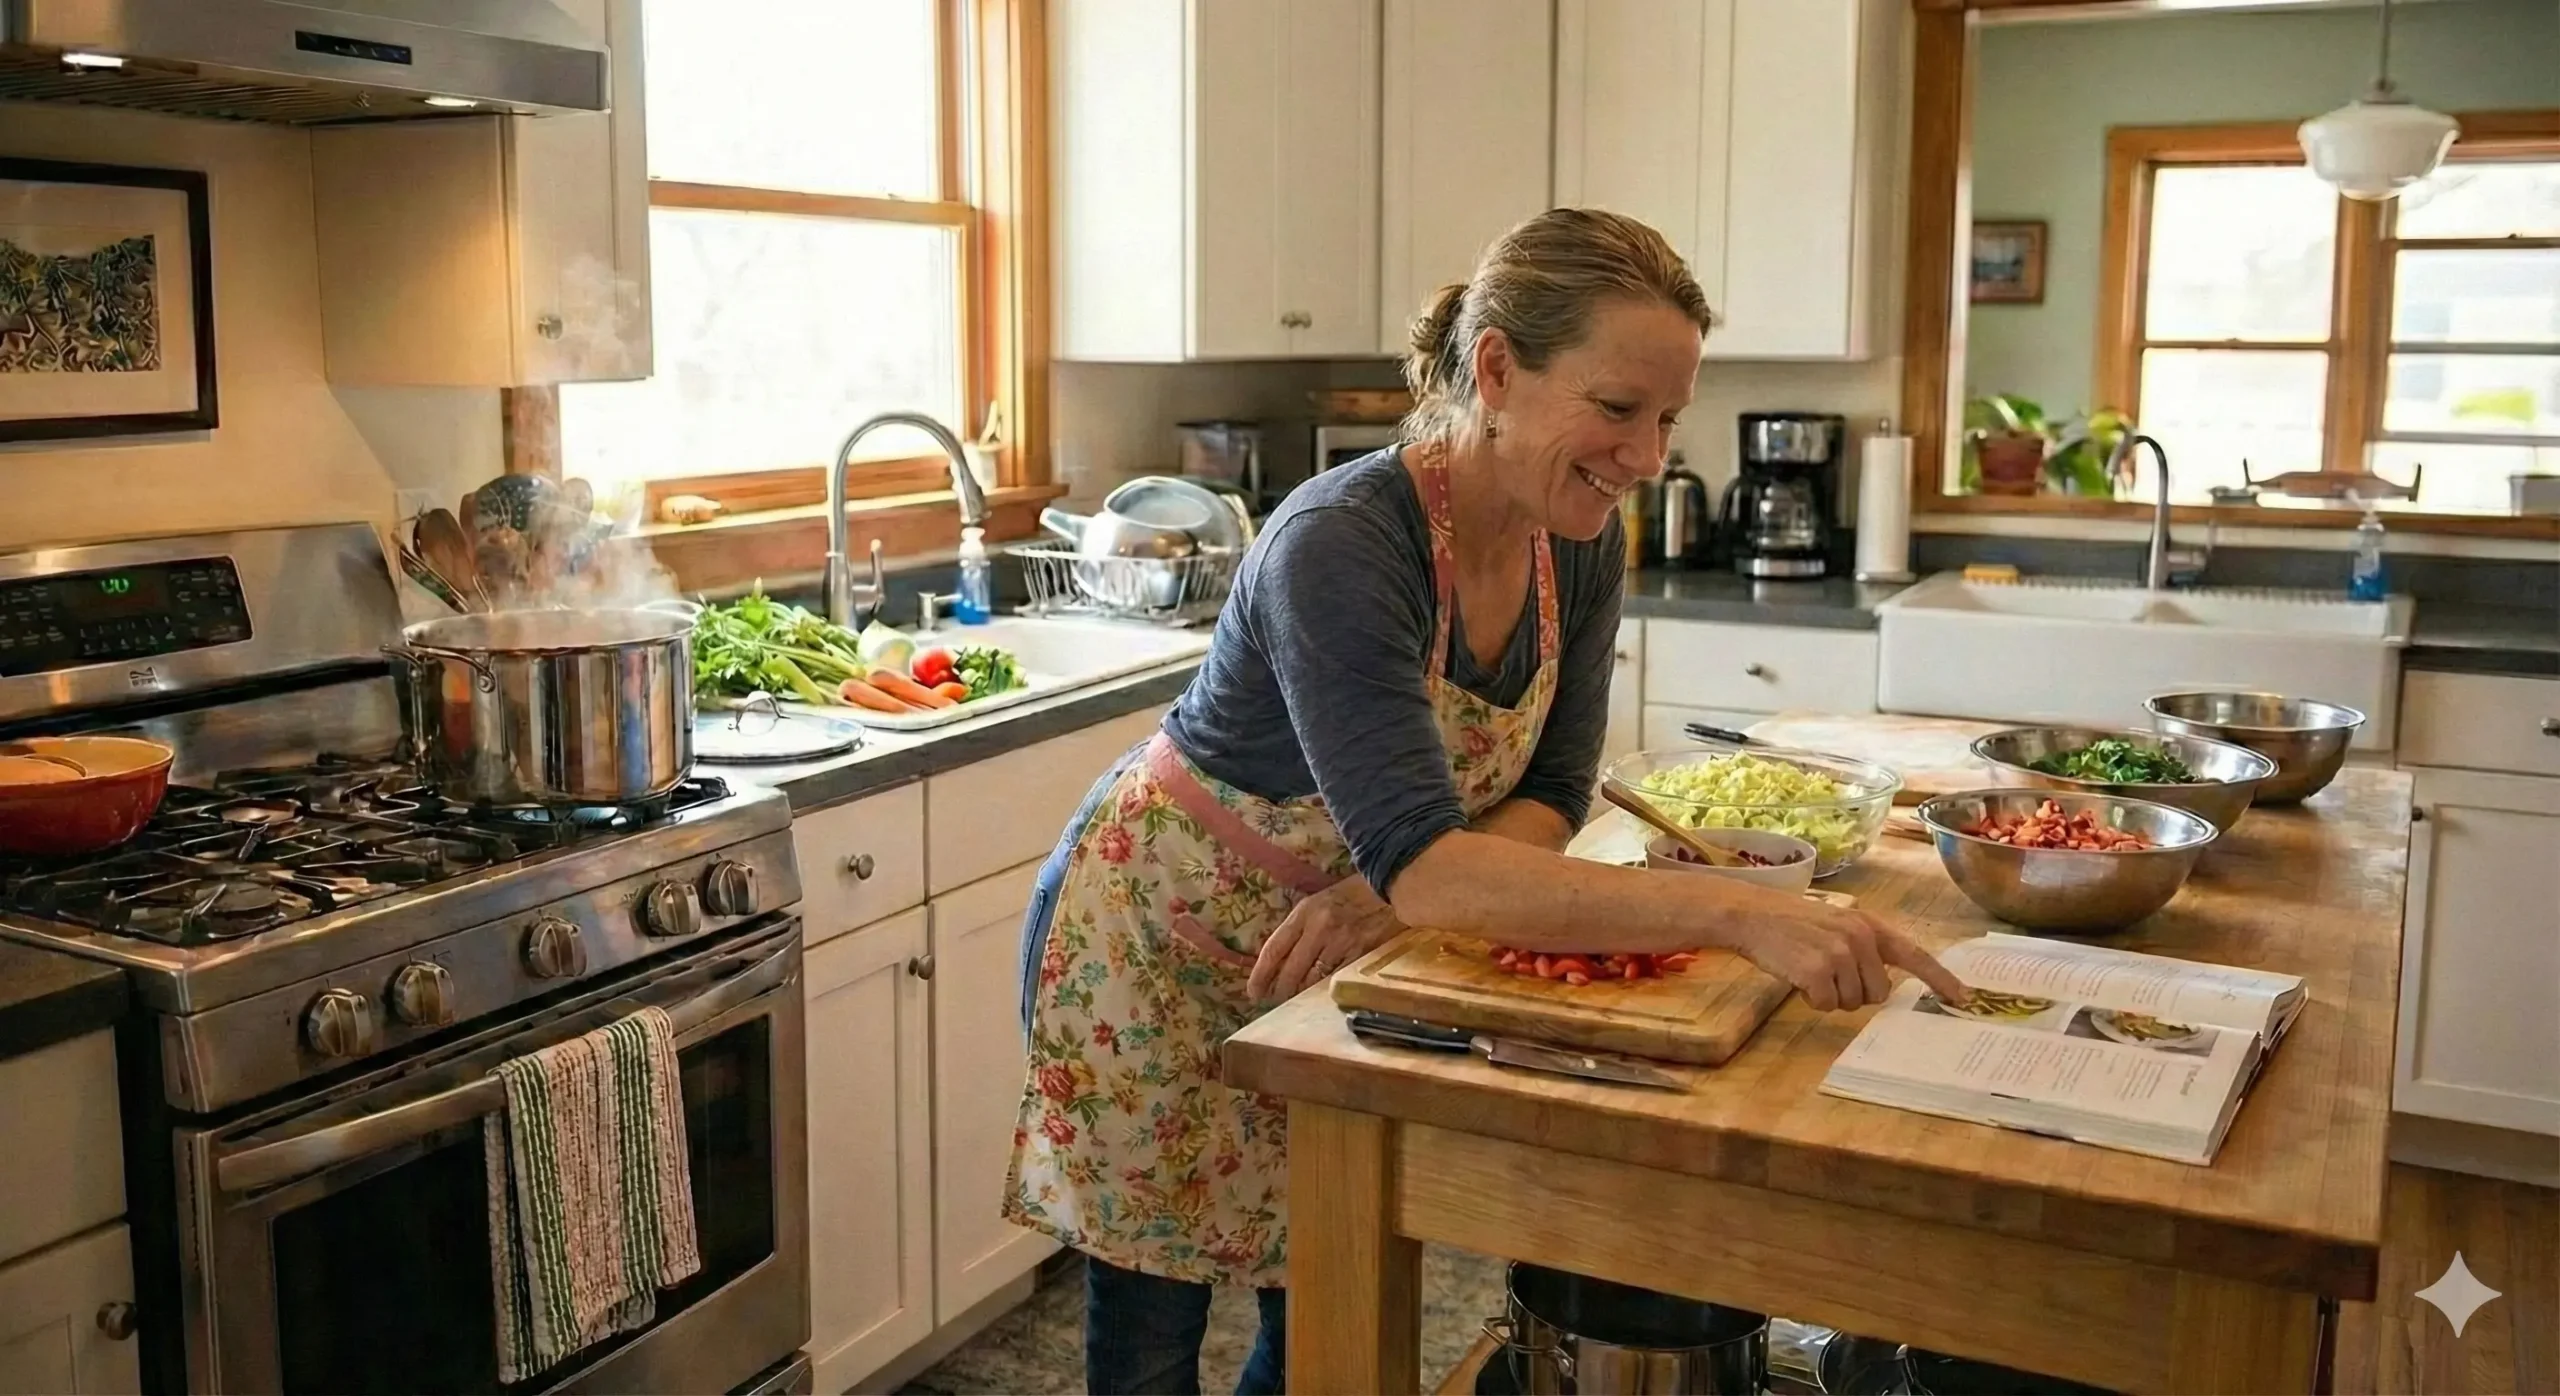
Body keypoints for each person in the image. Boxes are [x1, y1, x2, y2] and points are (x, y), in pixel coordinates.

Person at [1005, 208, 1967, 1395]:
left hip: (1340, 958)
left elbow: (1552, 792)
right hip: (1162, 946)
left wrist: (1395, 890)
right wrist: (1731, 911)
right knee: (1150, 1324)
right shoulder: (1343, 543)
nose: (1647, 456)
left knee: (1325, 1294)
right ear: (1498, 368)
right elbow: (1441, 867)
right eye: (1617, 409)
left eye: (1666, 418)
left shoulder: (1583, 540)